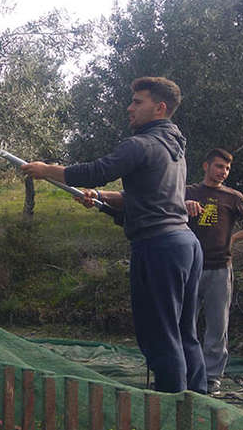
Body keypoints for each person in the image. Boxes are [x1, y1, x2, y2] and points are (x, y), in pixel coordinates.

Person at [21, 77, 206, 393]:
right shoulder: (173, 149)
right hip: (184, 243)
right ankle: (199, 403)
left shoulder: (141, 144)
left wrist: (46, 170)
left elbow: (96, 169)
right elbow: (145, 198)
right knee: (184, 331)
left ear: (159, 107)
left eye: (138, 101)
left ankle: (171, 409)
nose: (129, 108)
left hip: (159, 247)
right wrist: (101, 198)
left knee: (161, 333)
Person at [184, 148, 243, 395]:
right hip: (189, 266)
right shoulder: (187, 191)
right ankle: (183, 370)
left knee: (217, 326)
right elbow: (163, 209)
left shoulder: (233, 196)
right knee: (183, 322)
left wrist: (233, 238)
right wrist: (183, 206)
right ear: (206, 166)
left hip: (220, 267)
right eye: (219, 166)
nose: (223, 172)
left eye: (227, 168)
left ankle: (211, 377)